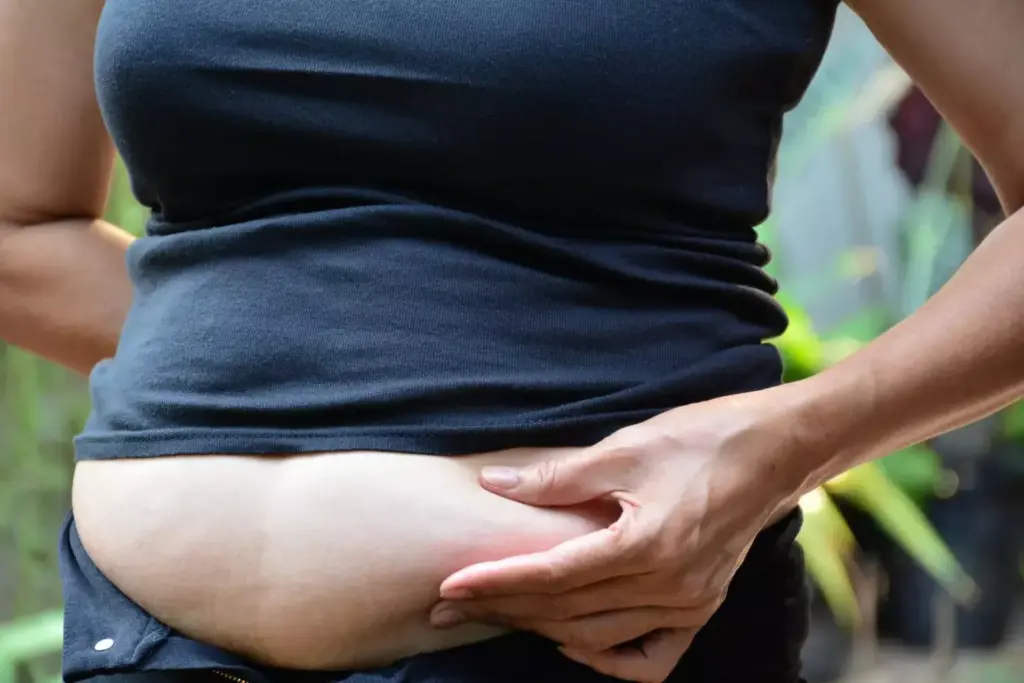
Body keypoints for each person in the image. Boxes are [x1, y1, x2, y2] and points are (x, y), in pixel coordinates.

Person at [1, 1, 1022, 682]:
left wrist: (790, 440)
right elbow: (19, 232)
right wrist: (321, 350)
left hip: (586, 634)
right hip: (146, 638)